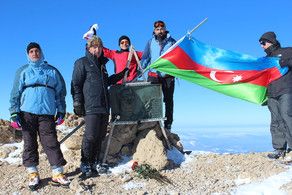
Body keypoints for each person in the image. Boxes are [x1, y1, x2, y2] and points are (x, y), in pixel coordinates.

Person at [9, 42, 70, 190]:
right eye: (31, 51)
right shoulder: (22, 71)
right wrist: (14, 112)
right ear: (28, 54)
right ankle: (32, 173)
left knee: (50, 142)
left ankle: (57, 173)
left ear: (41, 52)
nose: (34, 53)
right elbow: (15, 93)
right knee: (29, 143)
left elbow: (60, 93)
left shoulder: (52, 71)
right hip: (27, 112)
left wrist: (61, 111)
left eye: (37, 51)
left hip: (46, 113)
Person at [71, 35, 127, 178]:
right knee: (90, 136)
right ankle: (85, 163)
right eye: (94, 46)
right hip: (91, 105)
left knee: (100, 136)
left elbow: (106, 82)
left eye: (99, 47)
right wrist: (77, 102)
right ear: (88, 48)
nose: (97, 49)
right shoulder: (81, 63)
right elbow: (76, 84)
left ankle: (95, 162)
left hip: (104, 106)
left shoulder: (102, 66)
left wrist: (121, 74)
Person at [259, 31, 292, 159]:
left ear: (271, 41)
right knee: (275, 120)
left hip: (286, 90)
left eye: (263, 43)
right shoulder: (265, 60)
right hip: (271, 93)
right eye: (260, 44)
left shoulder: (287, 51)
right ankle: (279, 149)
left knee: (287, 117)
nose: (262, 46)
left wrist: (285, 62)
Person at [141, 20, 176, 130]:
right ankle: (152, 122)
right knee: (152, 99)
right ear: (154, 31)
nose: (160, 31)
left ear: (165, 29)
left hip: (168, 76)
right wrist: (142, 70)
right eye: (157, 29)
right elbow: (146, 58)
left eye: (162, 28)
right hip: (154, 74)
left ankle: (168, 124)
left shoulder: (172, 42)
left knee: (168, 100)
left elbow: (177, 57)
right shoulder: (150, 42)